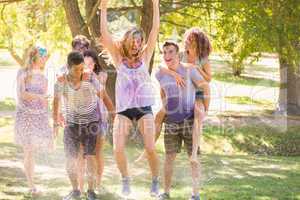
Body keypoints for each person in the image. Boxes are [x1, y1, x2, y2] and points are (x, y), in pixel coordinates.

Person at [99, 0, 160, 196]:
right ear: (126, 41)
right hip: (124, 110)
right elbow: (105, 36)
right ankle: (125, 179)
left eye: (139, 41)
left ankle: (155, 181)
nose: (137, 44)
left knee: (150, 148)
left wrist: (155, 4)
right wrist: (104, 8)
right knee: (117, 149)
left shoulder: (146, 56)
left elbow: (154, 30)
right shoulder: (119, 59)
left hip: (144, 109)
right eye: (133, 40)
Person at [136, 27, 212, 164]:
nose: (187, 41)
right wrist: (174, 74)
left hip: (197, 92)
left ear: (198, 42)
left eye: (191, 40)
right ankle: (147, 150)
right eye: (187, 39)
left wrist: (196, 68)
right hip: (180, 92)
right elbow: (163, 67)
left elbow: (208, 79)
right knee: (159, 115)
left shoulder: (203, 60)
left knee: (199, 112)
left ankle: (194, 153)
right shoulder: (181, 55)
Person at [156, 41, 209, 200]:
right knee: (169, 157)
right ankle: (165, 193)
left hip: (189, 119)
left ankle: (195, 194)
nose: (167, 56)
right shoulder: (161, 74)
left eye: (171, 52)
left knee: (193, 158)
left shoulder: (189, 70)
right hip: (171, 121)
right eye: (164, 52)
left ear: (177, 54)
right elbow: (163, 92)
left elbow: (205, 86)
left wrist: (205, 108)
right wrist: (167, 106)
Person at [53, 51, 106, 200]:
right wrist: (55, 124)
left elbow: (104, 95)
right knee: (70, 158)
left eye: (81, 68)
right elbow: (55, 103)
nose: (79, 72)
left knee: (90, 156)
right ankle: (75, 190)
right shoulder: (61, 81)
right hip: (71, 124)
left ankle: (90, 191)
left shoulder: (89, 77)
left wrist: (114, 114)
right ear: (68, 67)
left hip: (91, 123)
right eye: (76, 69)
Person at [15, 45, 53, 196]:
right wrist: (39, 97)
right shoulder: (23, 73)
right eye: (42, 56)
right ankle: (31, 186)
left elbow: (44, 101)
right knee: (29, 150)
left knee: (34, 151)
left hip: (39, 116)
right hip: (25, 116)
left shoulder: (44, 77)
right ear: (35, 57)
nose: (44, 59)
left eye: (45, 57)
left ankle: (32, 182)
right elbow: (22, 94)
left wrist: (48, 117)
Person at [83, 49, 115, 190]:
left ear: (95, 63)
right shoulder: (80, 76)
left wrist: (89, 75)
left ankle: (99, 183)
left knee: (97, 151)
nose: (87, 66)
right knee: (86, 153)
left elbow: (99, 88)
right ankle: (87, 182)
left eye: (90, 63)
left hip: (100, 116)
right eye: (85, 63)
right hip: (85, 118)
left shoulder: (101, 75)